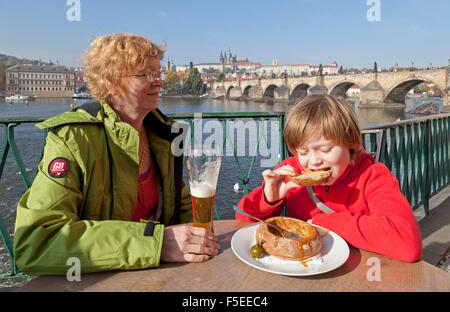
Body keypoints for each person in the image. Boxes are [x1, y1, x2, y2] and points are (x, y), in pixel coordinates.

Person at [13, 33, 220, 275]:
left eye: (159, 73)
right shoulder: (74, 139)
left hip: (158, 276)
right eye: (146, 74)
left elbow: (182, 205)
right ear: (110, 82)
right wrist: (155, 243)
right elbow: (35, 243)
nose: (159, 82)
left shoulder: (164, 134)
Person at [236, 94, 422, 262]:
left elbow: (408, 244)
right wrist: (268, 200)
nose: (314, 161)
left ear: (351, 143)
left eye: (325, 149)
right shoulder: (291, 171)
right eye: (303, 151)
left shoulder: (373, 176)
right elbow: (241, 222)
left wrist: (320, 224)